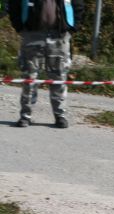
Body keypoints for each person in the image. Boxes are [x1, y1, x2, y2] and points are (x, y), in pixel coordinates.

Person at [9, 0, 85, 129]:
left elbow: (78, 6)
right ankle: (25, 116)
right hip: (32, 34)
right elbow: (13, 6)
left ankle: (60, 116)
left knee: (59, 77)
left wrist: (72, 27)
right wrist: (20, 27)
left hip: (59, 35)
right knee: (29, 77)